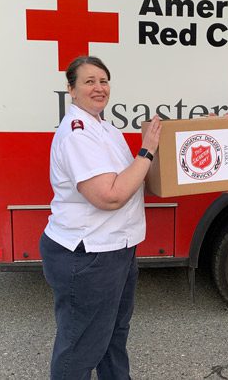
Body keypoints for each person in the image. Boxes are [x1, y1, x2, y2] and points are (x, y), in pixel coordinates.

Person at [39, 55, 161, 380]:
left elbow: (132, 180)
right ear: (71, 90)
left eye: (103, 81)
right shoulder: (78, 133)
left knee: (113, 336)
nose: (98, 87)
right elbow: (109, 195)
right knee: (81, 347)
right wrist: (147, 150)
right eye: (89, 81)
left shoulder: (105, 128)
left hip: (116, 249)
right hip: (90, 254)